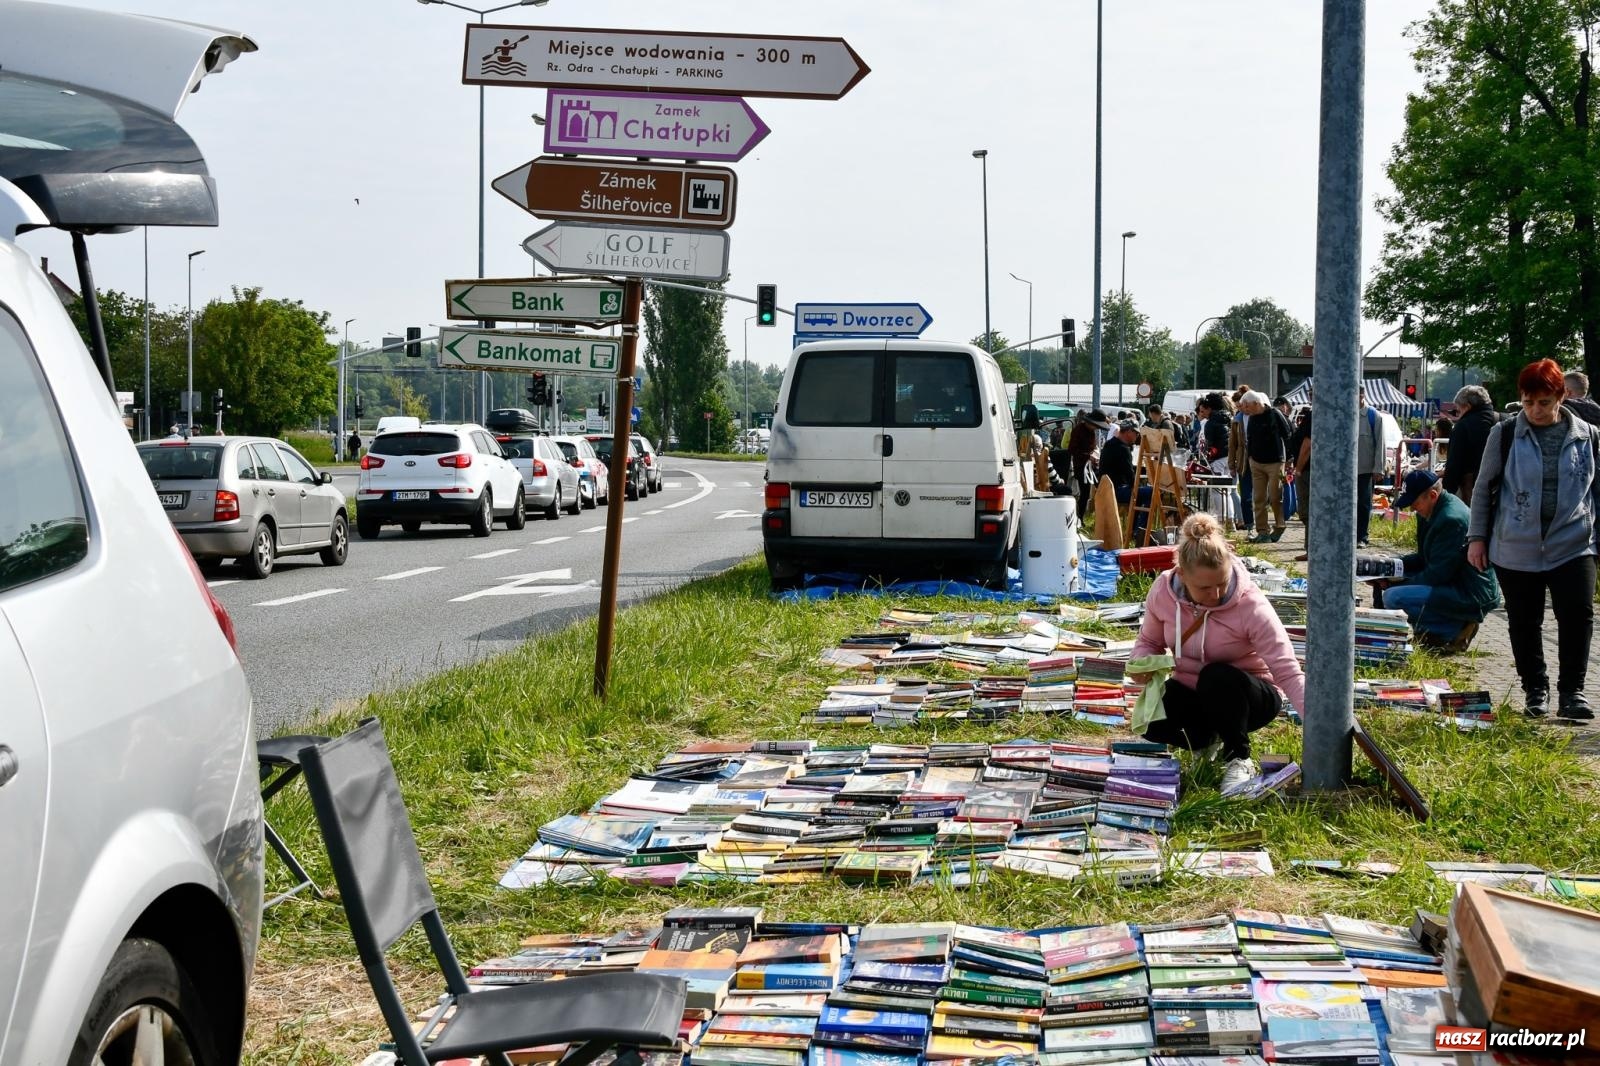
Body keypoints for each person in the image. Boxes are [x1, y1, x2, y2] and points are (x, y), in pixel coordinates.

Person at [1129, 511, 1308, 793]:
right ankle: (1205, 742)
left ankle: (1238, 757)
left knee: (1216, 677)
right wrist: (1140, 663)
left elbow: (1286, 670)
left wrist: (1318, 724)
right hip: (1196, 690)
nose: (1215, 595)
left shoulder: (1250, 604)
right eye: (1204, 588)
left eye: (1222, 583)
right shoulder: (1163, 590)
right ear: (1181, 575)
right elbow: (1148, 642)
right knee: (1150, 720)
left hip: (1249, 695)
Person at [1468, 358, 1599, 719]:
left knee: (1577, 616)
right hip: (1516, 545)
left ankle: (1572, 692)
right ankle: (1534, 689)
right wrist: (1477, 537)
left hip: (1575, 543)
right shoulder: (1505, 433)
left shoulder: (1588, 436)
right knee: (1524, 621)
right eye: (1528, 402)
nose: (1535, 410)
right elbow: (1483, 489)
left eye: (1543, 402)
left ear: (1561, 396)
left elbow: (1597, 491)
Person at [1370, 470, 1499, 651]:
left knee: (1394, 597)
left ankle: (1451, 629)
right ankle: (1438, 629)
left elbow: (1438, 574)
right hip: (1453, 580)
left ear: (1432, 495)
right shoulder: (1430, 511)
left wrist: (1394, 583)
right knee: (1394, 590)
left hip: (1469, 592)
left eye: (1414, 503)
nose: (1412, 509)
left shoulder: (1451, 520)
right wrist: (1390, 567)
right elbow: (1424, 557)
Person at [1240, 390, 1292, 542]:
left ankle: (1280, 525)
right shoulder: (1252, 418)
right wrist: (1250, 458)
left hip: (1276, 462)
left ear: (1256, 404)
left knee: (1276, 497)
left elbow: (1287, 434)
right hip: (1256, 462)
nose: (1245, 410)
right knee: (1259, 498)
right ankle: (1262, 531)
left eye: (1247, 406)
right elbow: (1248, 438)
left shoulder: (1275, 414)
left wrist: (1290, 458)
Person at [1442, 384, 1497, 504]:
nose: (1458, 415)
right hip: (1507, 493)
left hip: (1476, 492)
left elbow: (1454, 465)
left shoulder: (1462, 427)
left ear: (1467, 407)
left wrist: (1445, 497)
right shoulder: (1505, 421)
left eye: (1458, 410)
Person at [1195, 393, 1235, 525]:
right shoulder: (1228, 418)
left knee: (1216, 489)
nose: (1203, 413)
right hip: (1229, 457)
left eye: (1204, 410)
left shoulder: (1211, 423)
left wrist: (1207, 456)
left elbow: (1209, 444)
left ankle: (1221, 519)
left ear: (1209, 408)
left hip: (1217, 459)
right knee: (1227, 490)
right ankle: (1230, 518)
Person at [1356, 386, 1386, 546]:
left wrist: (1378, 468)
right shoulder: (1345, 414)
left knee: (1363, 504)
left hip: (1365, 469)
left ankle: (1362, 537)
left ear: (1362, 396)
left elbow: (1381, 443)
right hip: (1347, 471)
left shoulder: (1373, 416)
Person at [1228, 385, 1254, 531]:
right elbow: (1232, 444)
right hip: (1243, 461)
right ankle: (1249, 525)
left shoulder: (1257, 416)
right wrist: (1231, 464)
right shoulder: (1237, 420)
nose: (1240, 408)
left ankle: (1261, 525)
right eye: (1237, 406)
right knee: (1245, 496)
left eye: (1241, 405)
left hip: (1259, 459)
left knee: (1260, 496)